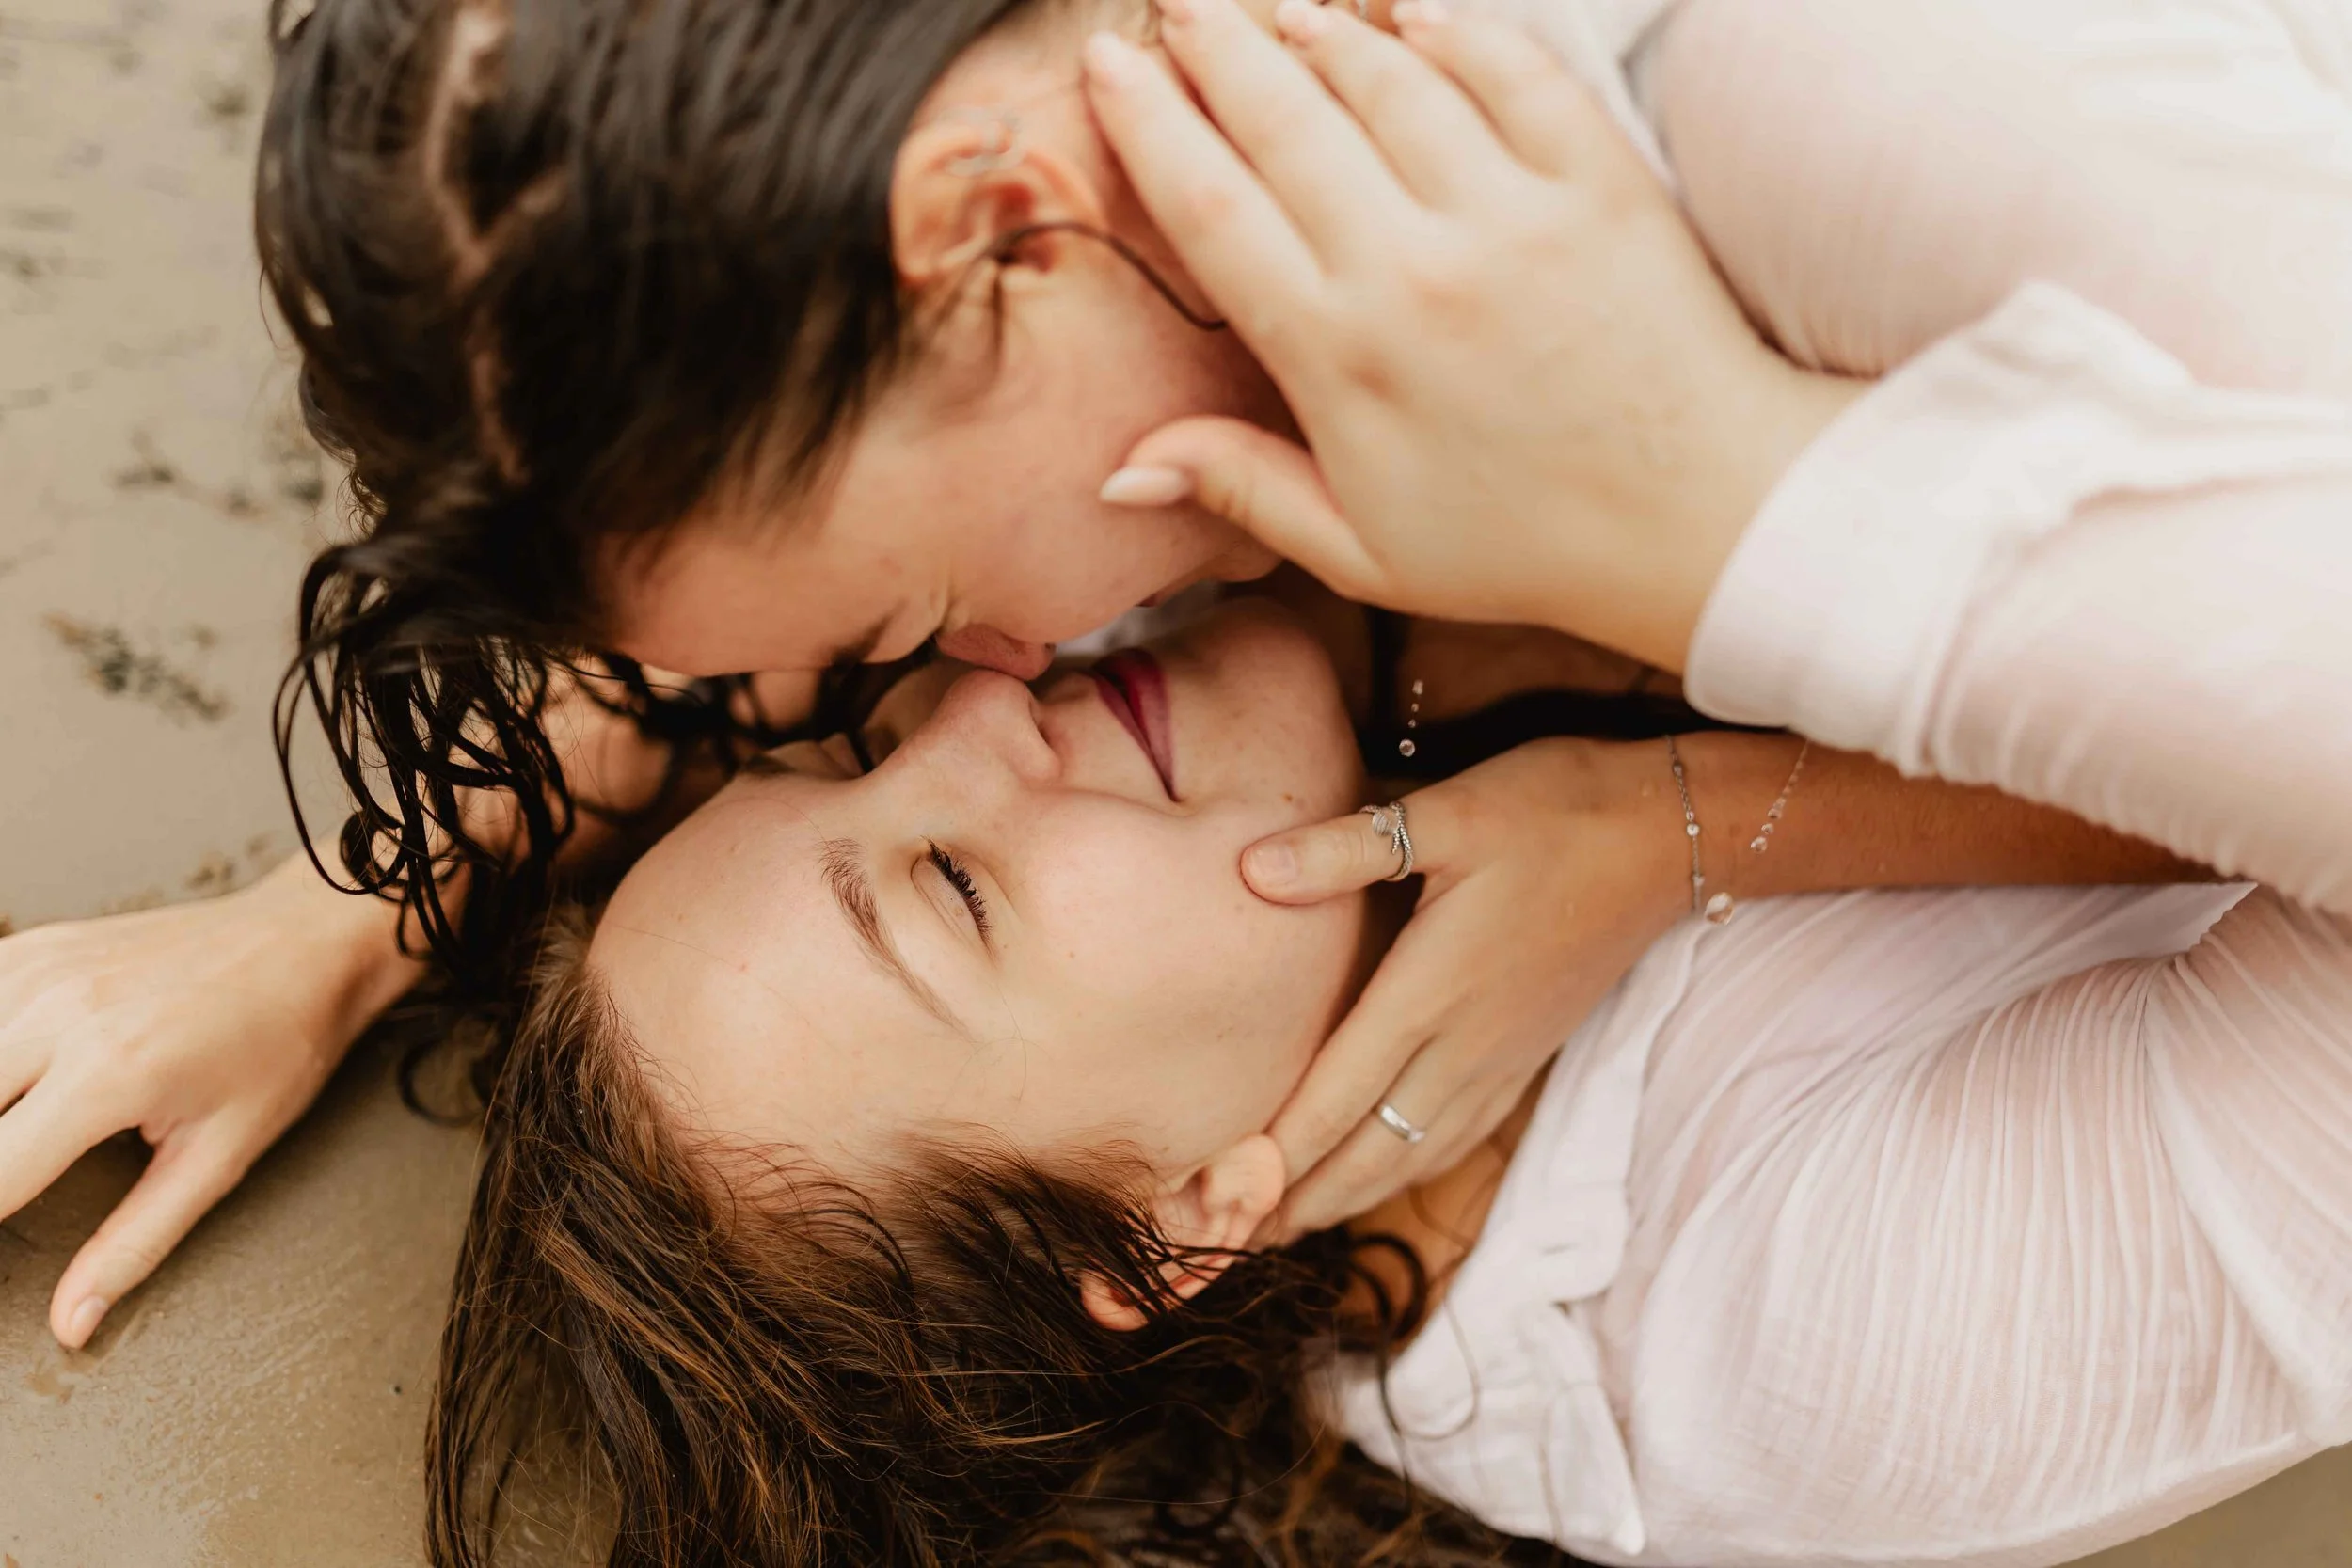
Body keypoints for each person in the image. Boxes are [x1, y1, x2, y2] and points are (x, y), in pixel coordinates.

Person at [5, 0, 2346, 1345]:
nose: (990, 679)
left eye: (912, 632)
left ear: (995, 234)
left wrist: (1709, 652)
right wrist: (341, 914)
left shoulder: (1790, 122)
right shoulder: (1097, 326)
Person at [427, 596, 2345, 1568]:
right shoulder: (1808, 1328)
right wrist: (1679, 822)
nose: (972, 703)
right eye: (946, 883)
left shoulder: (1228, 766)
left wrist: (329, 918)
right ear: (1180, 1217)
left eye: (850, 746)